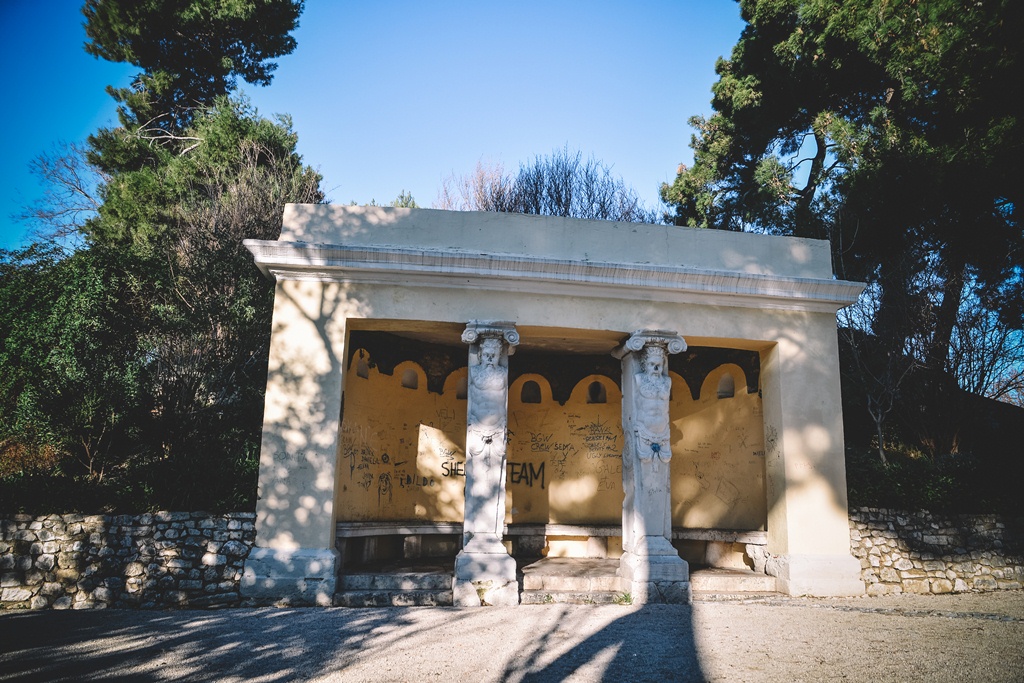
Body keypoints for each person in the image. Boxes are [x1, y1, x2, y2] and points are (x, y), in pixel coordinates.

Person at [634, 345, 672, 462]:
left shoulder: (667, 381)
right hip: (643, 431)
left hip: (663, 432)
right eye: (651, 364)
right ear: (645, 366)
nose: (656, 369)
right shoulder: (639, 379)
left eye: (659, 365)